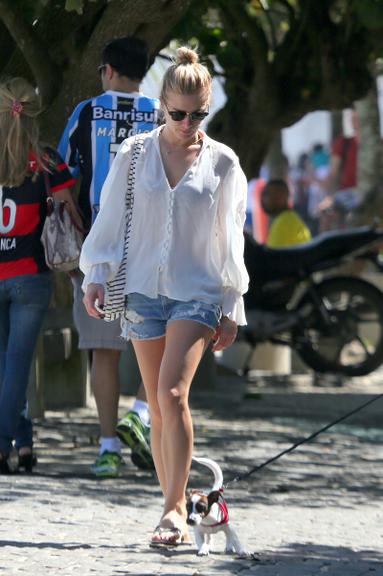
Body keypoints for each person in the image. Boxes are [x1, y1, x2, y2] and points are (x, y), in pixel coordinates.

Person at [80, 47, 249, 545]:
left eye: (199, 114)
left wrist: (231, 305)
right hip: (141, 291)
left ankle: (174, 512)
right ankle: (172, 502)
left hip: (196, 293)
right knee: (157, 401)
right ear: (162, 104)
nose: (187, 123)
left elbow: (230, 239)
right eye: (178, 113)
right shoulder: (134, 154)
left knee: (173, 394)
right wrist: (96, 273)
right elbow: (110, 219)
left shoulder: (223, 163)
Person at [59, 37, 160, 477]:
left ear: (108, 70)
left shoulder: (86, 112)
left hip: (97, 249)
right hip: (153, 247)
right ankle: (139, 413)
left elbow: (64, 173)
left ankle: (107, 450)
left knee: (105, 352)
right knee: (157, 344)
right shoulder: (161, 114)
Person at [0, 78, 80, 474]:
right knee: (16, 364)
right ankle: (9, 444)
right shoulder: (47, 160)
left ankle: (21, 442)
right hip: (30, 275)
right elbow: (68, 213)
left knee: (4, 366)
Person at [261, 178, 311, 248]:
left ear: (282, 195)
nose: (263, 198)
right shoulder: (292, 219)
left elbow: (272, 257)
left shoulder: (283, 223)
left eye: (267, 194)